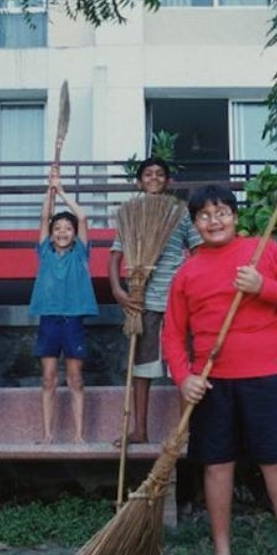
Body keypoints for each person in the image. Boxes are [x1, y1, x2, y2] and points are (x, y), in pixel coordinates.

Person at [162, 185, 277, 555]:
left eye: (221, 212)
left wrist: (263, 286)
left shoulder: (263, 251)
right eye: (204, 215)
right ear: (195, 223)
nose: (214, 221)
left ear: (235, 217)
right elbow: (172, 332)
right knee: (217, 467)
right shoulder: (187, 271)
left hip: (270, 377)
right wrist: (184, 376)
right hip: (213, 382)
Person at [108, 156, 202, 445]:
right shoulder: (130, 213)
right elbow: (115, 256)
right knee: (142, 366)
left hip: (177, 299)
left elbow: (198, 250)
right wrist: (118, 291)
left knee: (183, 366)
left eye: (159, 174)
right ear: (139, 181)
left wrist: (190, 281)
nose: (153, 178)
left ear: (167, 181)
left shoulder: (180, 213)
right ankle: (140, 430)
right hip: (142, 300)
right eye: (147, 174)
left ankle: (185, 430)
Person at [28, 171, 98, 444]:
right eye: (58, 229)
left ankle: (79, 436)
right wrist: (50, 190)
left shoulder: (81, 253)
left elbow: (81, 216)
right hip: (49, 320)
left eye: (67, 229)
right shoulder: (44, 251)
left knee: (75, 379)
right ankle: (47, 435)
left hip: (73, 322)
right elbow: (44, 218)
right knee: (48, 379)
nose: (62, 232)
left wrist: (63, 190)